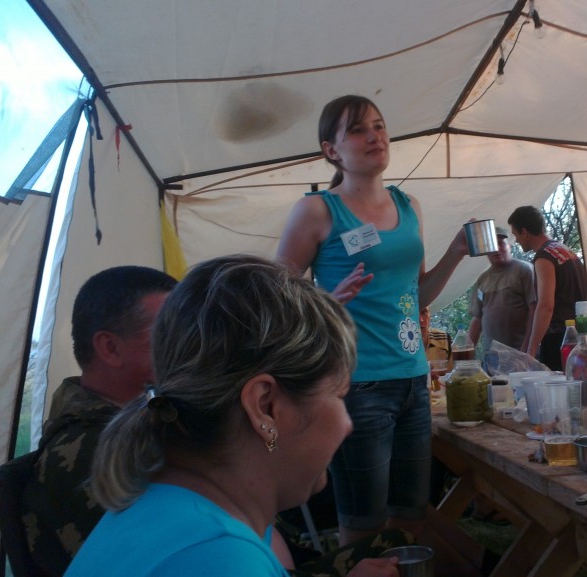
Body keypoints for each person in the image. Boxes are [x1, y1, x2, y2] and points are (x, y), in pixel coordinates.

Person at [65, 255, 400, 577]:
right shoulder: (217, 557)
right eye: (338, 395)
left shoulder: (169, 504)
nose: (347, 425)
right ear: (265, 406)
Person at [276, 95, 471, 554]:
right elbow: (276, 297)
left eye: (380, 126)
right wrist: (326, 303)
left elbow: (418, 295)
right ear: (331, 150)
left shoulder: (409, 205)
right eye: (359, 130)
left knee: (411, 516)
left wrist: (457, 252)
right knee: (363, 523)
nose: (375, 136)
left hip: (413, 380)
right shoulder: (317, 211)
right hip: (356, 384)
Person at [21, 265, 177, 576]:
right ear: (110, 348)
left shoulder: (138, 417)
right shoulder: (91, 452)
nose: (187, 345)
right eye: (168, 333)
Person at [506, 205, 587, 371]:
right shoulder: (564, 250)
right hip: (582, 334)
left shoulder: (544, 257)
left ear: (524, 232)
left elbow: (546, 306)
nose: (516, 240)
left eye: (516, 235)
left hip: (561, 339)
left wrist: (531, 350)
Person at [467, 226, 534, 354]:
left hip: (519, 353)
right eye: (491, 245)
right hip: (491, 356)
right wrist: (466, 352)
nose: (496, 249)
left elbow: (535, 311)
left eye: (501, 244)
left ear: (510, 246)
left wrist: (527, 351)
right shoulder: (482, 280)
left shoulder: (524, 271)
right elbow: (477, 319)